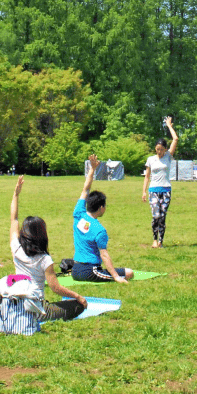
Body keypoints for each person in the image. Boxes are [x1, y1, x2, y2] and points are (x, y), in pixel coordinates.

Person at [9, 175, 87, 321]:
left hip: (17, 306)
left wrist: (16, 194)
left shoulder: (16, 247)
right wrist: (78, 296)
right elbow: (55, 288)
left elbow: (14, 219)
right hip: (36, 309)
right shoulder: (45, 259)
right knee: (78, 305)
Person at [73, 155, 134, 283]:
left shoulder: (79, 213)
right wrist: (117, 277)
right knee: (129, 273)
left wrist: (92, 169)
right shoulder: (99, 230)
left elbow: (85, 189)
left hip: (75, 269)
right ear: (101, 208)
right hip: (90, 271)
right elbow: (104, 255)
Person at [142, 117, 179, 248]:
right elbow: (147, 176)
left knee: (162, 217)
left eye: (161, 149)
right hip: (153, 191)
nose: (159, 152)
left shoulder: (168, 156)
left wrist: (169, 125)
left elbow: (175, 139)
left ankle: (161, 241)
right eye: (157, 149)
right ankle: (154, 239)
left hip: (166, 190)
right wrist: (144, 192)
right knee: (156, 216)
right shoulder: (151, 159)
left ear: (165, 149)